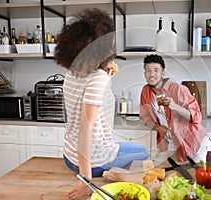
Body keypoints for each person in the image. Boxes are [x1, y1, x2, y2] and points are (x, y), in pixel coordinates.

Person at [54, 8, 148, 200]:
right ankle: (107, 174)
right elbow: (85, 129)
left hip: (68, 156)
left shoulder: (71, 73)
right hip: (94, 161)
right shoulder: (98, 78)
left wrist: (106, 76)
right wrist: (85, 180)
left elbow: (86, 99)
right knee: (144, 151)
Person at [140, 54, 209, 163]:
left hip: (193, 141)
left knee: (194, 175)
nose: (152, 74)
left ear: (163, 73)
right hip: (172, 141)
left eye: (156, 70)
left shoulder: (179, 89)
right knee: (174, 175)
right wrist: (158, 128)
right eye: (148, 70)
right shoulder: (145, 91)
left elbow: (197, 118)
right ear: (144, 73)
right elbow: (145, 117)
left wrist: (174, 106)